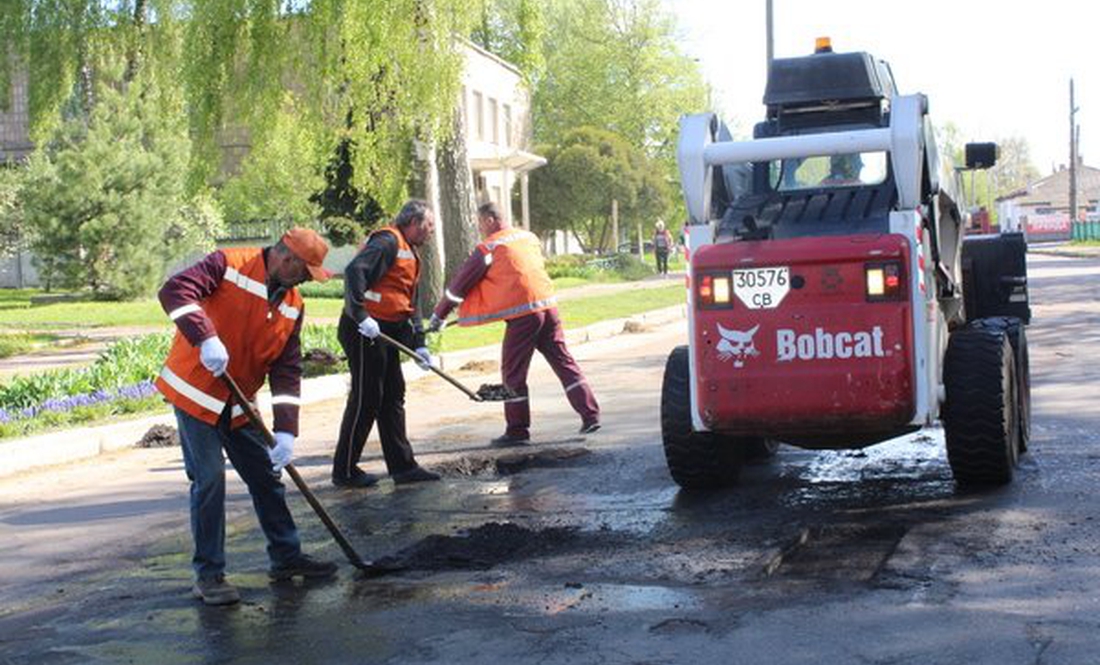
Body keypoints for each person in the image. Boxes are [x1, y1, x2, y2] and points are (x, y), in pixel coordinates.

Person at [156, 227, 338, 606]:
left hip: (238, 403)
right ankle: (209, 575)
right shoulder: (228, 264)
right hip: (196, 393)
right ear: (286, 258)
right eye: (305, 272)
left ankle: (286, 558)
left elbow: (286, 371)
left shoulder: (293, 304)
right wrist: (205, 336)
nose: (305, 281)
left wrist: (286, 432)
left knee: (266, 477)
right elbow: (174, 291)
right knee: (208, 481)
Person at [428, 201, 600, 447]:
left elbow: (460, 285)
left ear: (489, 220)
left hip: (524, 316)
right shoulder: (527, 237)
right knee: (563, 361)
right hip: (548, 308)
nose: (480, 229)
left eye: (480, 224)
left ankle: (517, 431)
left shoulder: (490, 246)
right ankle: (590, 414)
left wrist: (439, 315)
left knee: (512, 372)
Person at [332, 199, 441, 488]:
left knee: (393, 394)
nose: (431, 231)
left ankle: (403, 467)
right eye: (429, 225)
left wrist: (419, 343)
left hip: (387, 333)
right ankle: (344, 471)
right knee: (367, 398)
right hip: (365, 332)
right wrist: (360, 315)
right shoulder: (387, 241)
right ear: (414, 223)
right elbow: (356, 272)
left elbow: (409, 302)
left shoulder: (411, 252)